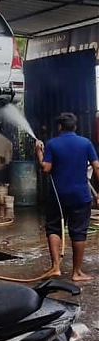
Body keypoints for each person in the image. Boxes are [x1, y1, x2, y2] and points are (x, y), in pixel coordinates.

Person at [35, 112, 99, 282]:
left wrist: (39, 153)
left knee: (54, 228)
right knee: (79, 232)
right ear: (75, 127)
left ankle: (56, 267)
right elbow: (97, 168)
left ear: (60, 127)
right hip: (81, 196)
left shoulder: (52, 144)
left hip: (58, 196)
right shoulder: (86, 143)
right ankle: (77, 272)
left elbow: (46, 168)